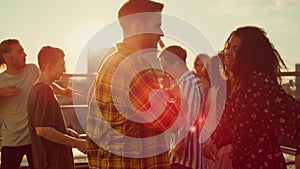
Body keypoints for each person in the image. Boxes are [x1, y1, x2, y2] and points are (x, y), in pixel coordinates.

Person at [86, 0, 177, 168]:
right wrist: (176, 96)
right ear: (137, 27)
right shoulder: (137, 68)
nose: (161, 33)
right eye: (157, 25)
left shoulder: (110, 62)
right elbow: (168, 120)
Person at [204, 26, 300, 169]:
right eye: (228, 47)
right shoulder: (234, 85)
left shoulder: (259, 83)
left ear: (249, 54)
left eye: (236, 49)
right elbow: (231, 124)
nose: (228, 53)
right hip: (241, 162)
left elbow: (295, 117)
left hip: (262, 163)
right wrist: (214, 143)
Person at [0, 39, 76, 169]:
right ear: (6, 57)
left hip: (34, 141)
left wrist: (64, 92)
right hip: (12, 141)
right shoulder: (1, 81)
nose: (25, 54)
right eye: (19, 51)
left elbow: (46, 82)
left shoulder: (32, 70)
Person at [27, 46, 86, 169]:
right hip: (54, 164)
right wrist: (77, 143)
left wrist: (66, 131)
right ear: (49, 66)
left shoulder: (36, 89)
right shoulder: (44, 91)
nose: (64, 70)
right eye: (61, 65)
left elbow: (45, 125)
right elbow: (42, 130)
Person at [158, 45, 206, 169]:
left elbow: (187, 118)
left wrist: (178, 146)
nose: (164, 72)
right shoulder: (189, 82)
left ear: (176, 64)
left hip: (185, 159)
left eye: (165, 67)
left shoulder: (188, 83)